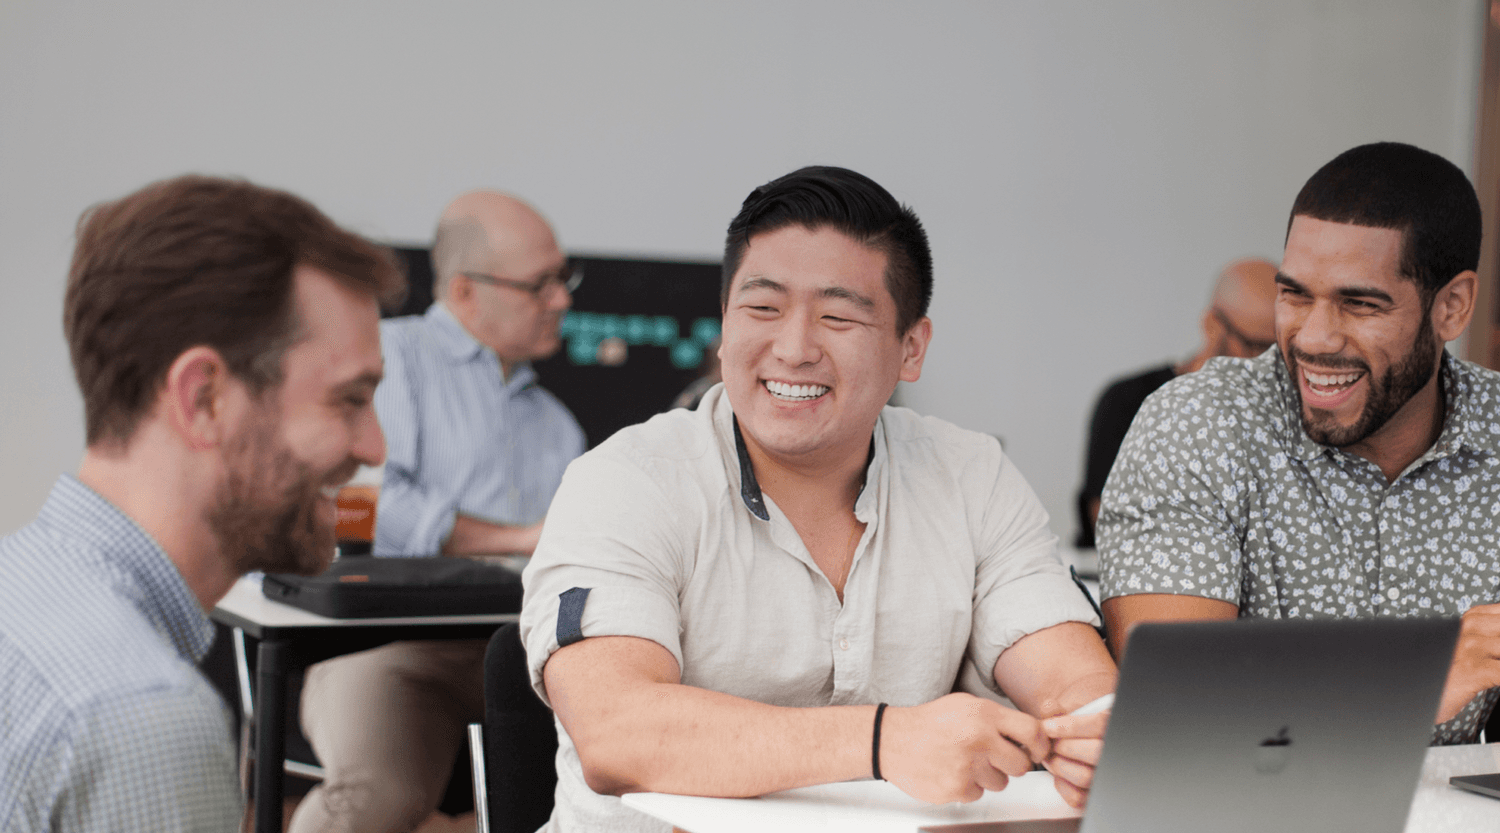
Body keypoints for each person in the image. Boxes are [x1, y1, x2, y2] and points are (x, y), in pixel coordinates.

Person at [521, 166, 1118, 833]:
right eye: (763, 308)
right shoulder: (625, 481)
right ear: (724, 325)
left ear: (911, 348)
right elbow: (617, 730)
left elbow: (1074, 687)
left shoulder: (971, 475)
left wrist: (1095, 735)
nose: (794, 347)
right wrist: (887, 741)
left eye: (838, 316)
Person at [0, 175, 400, 830]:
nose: (376, 445)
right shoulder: (142, 716)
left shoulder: (18, 592)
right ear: (204, 398)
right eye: (349, 399)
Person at [1097, 141, 1499, 743]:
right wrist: (1412, 683)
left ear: (1453, 307)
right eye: (1296, 294)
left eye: (1360, 304)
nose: (1314, 338)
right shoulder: (1199, 424)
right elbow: (1177, 706)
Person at [290, 191, 585, 833]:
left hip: (525, 651)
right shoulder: (390, 359)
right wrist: (523, 538)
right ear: (464, 291)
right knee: (371, 800)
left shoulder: (557, 426)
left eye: (564, 278)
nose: (562, 299)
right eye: (541, 284)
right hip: (387, 644)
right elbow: (360, 505)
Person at [1074, 257, 1277, 547]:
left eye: (1281, 353)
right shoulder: (1130, 401)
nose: (1269, 366)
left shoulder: (1278, 416)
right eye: (1259, 347)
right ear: (1212, 325)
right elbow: (1109, 521)